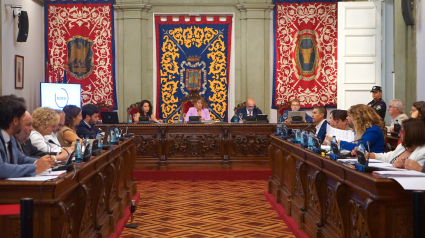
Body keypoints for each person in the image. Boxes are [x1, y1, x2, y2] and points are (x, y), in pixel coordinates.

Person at [0, 95, 54, 179]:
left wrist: (43, 162)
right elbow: (1, 169)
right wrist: (35, 168)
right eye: (22, 118)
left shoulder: (11, 138)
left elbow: (21, 159)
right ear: (15, 121)